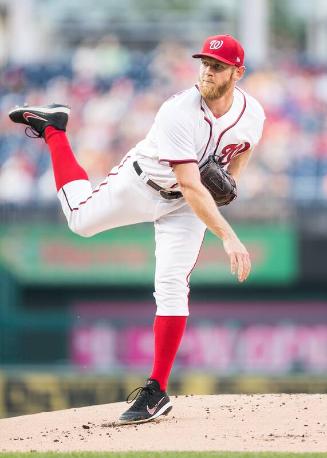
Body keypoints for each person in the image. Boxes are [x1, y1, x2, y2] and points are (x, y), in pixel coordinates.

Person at [9, 34, 265, 425]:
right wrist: (228, 235)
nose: (207, 72)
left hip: (182, 207)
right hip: (142, 184)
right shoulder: (178, 110)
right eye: (204, 63)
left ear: (237, 72)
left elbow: (242, 151)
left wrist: (232, 184)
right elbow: (192, 183)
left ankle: (156, 390)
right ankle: (54, 129)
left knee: (173, 286)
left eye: (216, 66)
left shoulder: (253, 114)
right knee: (79, 220)